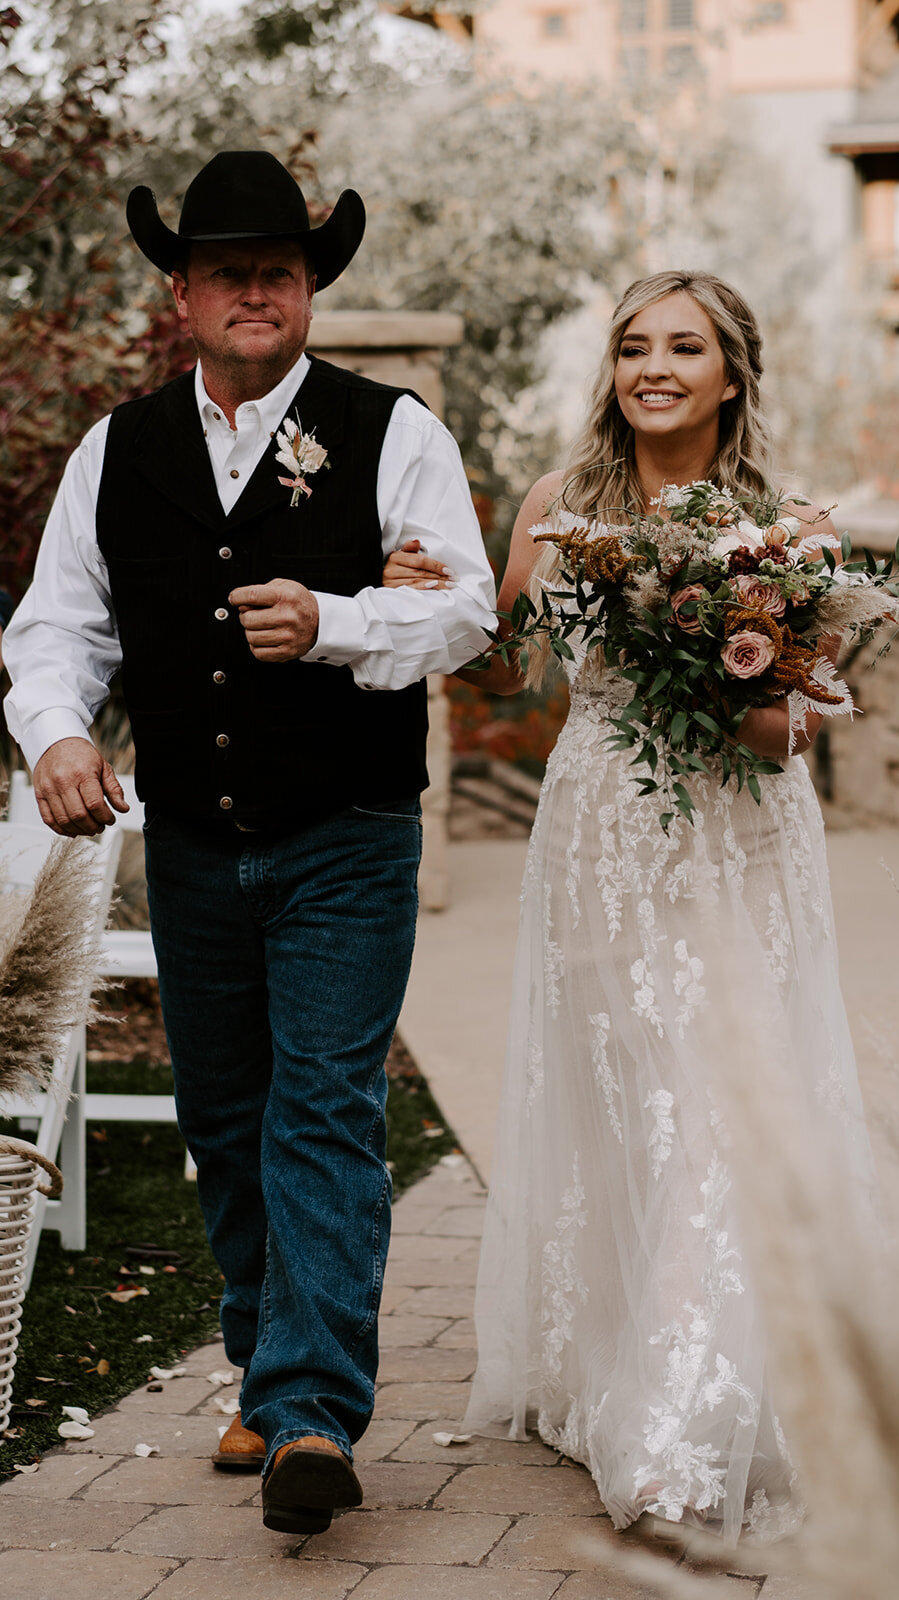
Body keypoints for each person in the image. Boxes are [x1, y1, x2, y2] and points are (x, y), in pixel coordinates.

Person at [3, 150, 497, 1536]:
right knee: (225, 1122)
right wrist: (56, 733)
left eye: (280, 270)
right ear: (183, 293)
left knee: (324, 1110)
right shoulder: (120, 446)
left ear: (310, 287)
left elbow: (465, 611)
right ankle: (261, 1359)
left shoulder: (389, 430)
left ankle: (307, 1414)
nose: (257, 292)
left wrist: (339, 624)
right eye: (230, 271)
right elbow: (57, 630)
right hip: (201, 849)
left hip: (347, 833)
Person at [384, 270, 872, 1541]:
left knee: (716, 1104)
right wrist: (411, 575)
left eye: (683, 347)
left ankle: (672, 1431)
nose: (653, 366)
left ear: (731, 372)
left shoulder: (793, 531)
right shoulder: (558, 506)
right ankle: (610, 1367)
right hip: (599, 831)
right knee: (625, 1103)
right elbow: (484, 652)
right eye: (633, 346)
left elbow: (778, 740)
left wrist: (696, 632)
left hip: (739, 842)